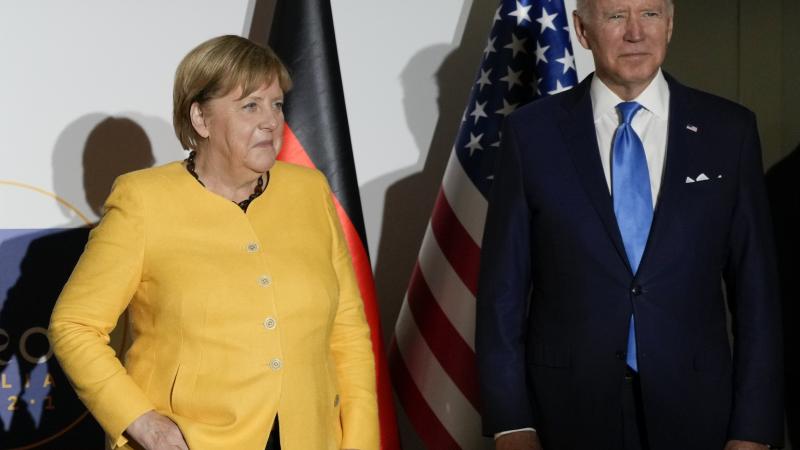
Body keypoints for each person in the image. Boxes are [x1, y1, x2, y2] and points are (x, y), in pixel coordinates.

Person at [475, 1, 783, 449]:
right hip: (567, 413)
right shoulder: (531, 135)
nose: (636, 33)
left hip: (697, 412)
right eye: (617, 16)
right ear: (582, 30)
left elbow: (757, 293)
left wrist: (754, 429)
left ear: (671, 24)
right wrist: (511, 422)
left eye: (651, 15)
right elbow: (501, 292)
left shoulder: (728, 131)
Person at [48, 35, 379, 450]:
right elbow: (74, 326)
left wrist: (361, 442)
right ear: (201, 119)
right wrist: (142, 422)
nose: (271, 121)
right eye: (250, 106)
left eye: (276, 104)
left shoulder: (309, 190)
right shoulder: (144, 201)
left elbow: (347, 332)